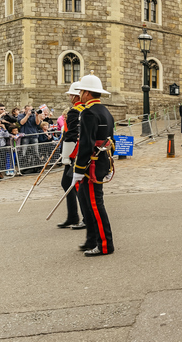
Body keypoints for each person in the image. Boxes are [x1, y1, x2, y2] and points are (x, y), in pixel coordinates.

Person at [72, 73, 115, 257]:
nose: (80, 94)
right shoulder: (105, 111)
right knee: (91, 204)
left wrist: (78, 169)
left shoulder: (89, 112)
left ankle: (105, 245)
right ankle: (93, 239)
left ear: (88, 93)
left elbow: (86, 144)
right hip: (102, 163)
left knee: (96, 205)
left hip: (91, 166)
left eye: (81, 91)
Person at [58, 82, 85, 229]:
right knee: (67, 183)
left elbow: (71, 136)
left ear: (75, 96)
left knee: (74, 185)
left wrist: (66, 157)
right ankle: (73, 216)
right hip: (80, 151)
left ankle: (83, 217)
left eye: (70, 94)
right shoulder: (86, 109)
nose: (69, 97)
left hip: (73, 153)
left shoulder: (74, 111)